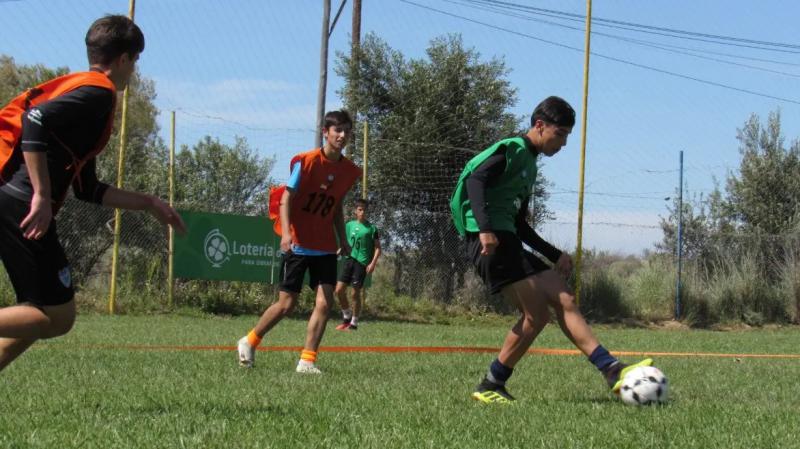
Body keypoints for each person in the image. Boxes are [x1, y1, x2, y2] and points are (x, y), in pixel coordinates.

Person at [0, 15, 186, 372]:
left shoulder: (80, 92)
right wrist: (41, 195)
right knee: (57, 317)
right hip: (21, 202)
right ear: (124, 60)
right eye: (135, 62)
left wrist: (149, 203)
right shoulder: (98, 93)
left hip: (11, 197)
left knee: (36, 313)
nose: (134, 72)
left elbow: (88, 189)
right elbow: (34, 121)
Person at [450, 96, 652, 403]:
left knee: (552, 306)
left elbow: (518, 223)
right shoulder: (512, 149)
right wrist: (485, 229)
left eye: (567, 136)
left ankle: (495, 384)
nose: (564, 143)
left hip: (506, 239)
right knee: (543, 309)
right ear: (540, 126)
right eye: (560, 134)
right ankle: (608, 369)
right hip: (490, 243)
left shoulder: (529, 166)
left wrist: (553, 253)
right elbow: (476, 180)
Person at [237, 110, 361, 374]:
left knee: (325, 304)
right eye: (337, 130)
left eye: (347, 131)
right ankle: (249, 341)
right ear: (325, 132)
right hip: (300, 243)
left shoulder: (349, 171)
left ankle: (307, 360)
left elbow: (336, 205)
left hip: (326, 245)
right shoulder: (305, 163)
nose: (342, 135)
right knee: (287, 304)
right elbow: (286, 198)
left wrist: (342, 238)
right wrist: (286, 234)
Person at [335, 198, 381, 331]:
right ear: (356, 211)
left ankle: (354, 323)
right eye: (360, 209)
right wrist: (340, 250)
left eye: (365, 210)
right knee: (339, 290)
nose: (362, 212)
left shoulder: (372, 229)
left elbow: (378, 248)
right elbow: (346, 243)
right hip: (349, 260)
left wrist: (372, 264)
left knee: (355, 293)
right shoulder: (349, 225)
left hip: (361, 263)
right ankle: (347, 316)